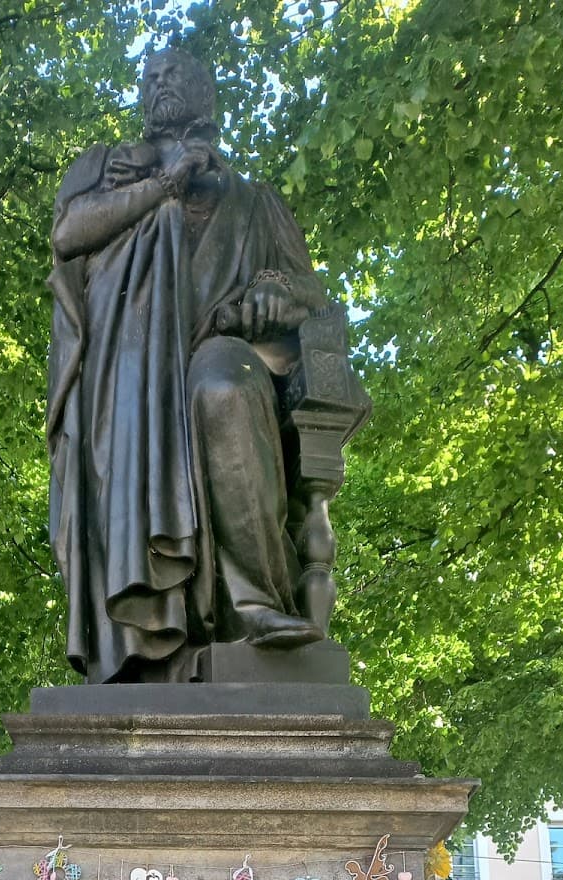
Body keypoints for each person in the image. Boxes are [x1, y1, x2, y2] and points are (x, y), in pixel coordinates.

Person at [47, 48, 366, 684]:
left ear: (207, 95)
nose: (159, 85)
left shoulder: (253, 202)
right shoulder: (107, 169)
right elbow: (68, 236)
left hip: (219, 350)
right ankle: (143, 635)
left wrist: (275, 289)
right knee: (149, 415)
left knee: (222, 387)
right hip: (126, 376)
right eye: (149, 77)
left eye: (174, 75)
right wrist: (164, 185)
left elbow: (313, 295)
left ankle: (256, 609)